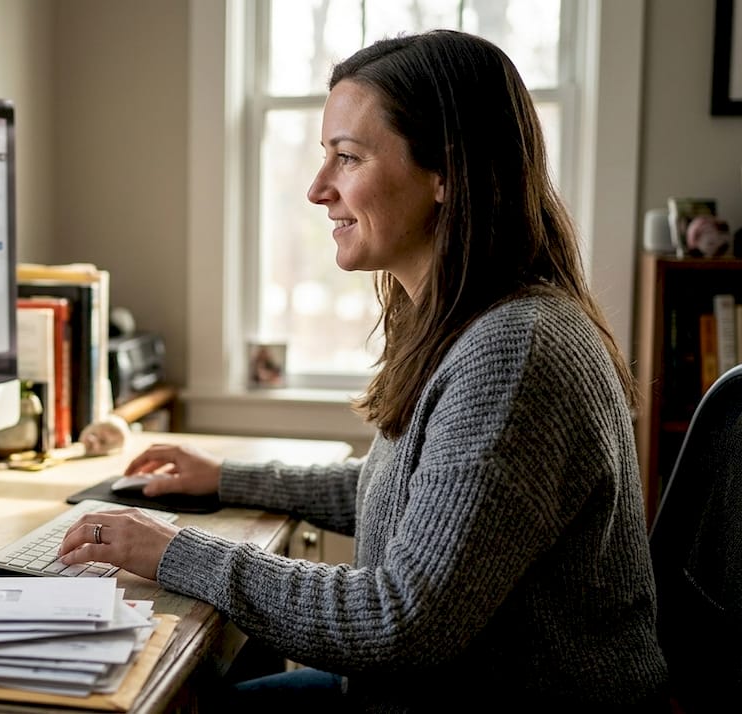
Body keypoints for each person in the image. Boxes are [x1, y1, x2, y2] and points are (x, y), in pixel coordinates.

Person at [57, 30, 668, 712]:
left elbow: (398, 620)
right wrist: (223, 477)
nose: (318, 189)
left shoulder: (514, 351)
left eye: (347, 158)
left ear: (448, 174)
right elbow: (406, 494)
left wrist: (174, 552)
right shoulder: (467, 321)